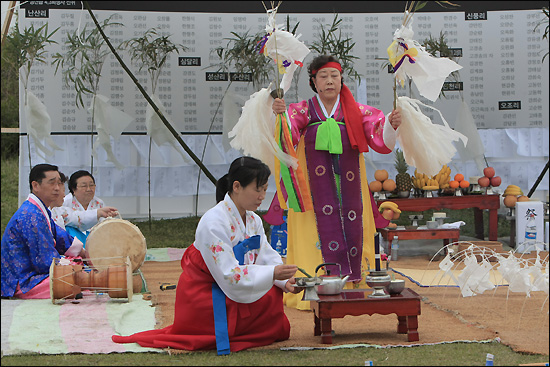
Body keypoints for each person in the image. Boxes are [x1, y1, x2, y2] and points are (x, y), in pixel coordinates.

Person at [113, 156, 303, 353]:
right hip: (206, 290)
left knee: (273, 295)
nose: (262, 195)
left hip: (234, 283)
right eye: (258, 189)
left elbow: (265, 253)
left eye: (264, 189)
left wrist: (284, 280)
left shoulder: (253, 220)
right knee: (262, 298)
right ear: (237, 186)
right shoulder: (213, 221)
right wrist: (272, 273)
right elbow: (229, 274)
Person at [269, 55, 402, 310]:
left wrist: (391, 125)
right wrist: (280, 116)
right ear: (313, 82)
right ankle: (313, 287)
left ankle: (356, 284)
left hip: (350, 189)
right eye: (323, 76)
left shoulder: (357, 111)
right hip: (313, 191)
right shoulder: (303, 110)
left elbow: (380, 136)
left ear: (341, 80)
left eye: (335, 76)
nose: (330, 81)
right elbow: (286, 136)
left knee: (355, 228)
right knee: (314, 233)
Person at [1, 164, 84, 299]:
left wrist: (84, 253)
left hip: (31, 273)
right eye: (52, 183)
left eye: (59, 183)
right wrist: (72, 265)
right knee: (76, 279)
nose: (57, 188)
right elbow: (44, 261)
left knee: (78, 266)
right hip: (21, 281)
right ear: (36, 186)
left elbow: (60, 236)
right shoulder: (31, 214)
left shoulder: (38, 210)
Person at [61, 170, 118, 243]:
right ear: (73, 189)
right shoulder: (65, 202)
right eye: (84, 186)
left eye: (91, 185)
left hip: (97, 241)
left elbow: (104, 226)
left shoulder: (99, 203)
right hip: (72, 241)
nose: (89, 189)